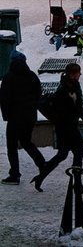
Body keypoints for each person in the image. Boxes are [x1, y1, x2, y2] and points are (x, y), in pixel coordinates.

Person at [32, 63, 83, 192]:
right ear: (72, 74)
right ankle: (77, 184)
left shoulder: (73, 86)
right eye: (78, 73)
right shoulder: (65, 89)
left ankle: (41, 176)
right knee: (78, 152)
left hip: (66, 126)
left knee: (63, 154)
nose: (79, 75)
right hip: (67, 127)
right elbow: (73, 108)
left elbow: (78, 106)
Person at [0, 51, 45, 184]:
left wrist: (7, 115)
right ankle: (42, 164)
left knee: (12, 146)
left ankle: (15, 174)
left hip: (15, 117)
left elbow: (4, 98)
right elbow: (38, 94)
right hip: (29, 116)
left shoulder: (9, 77)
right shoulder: (31, 76)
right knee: (26, 142)